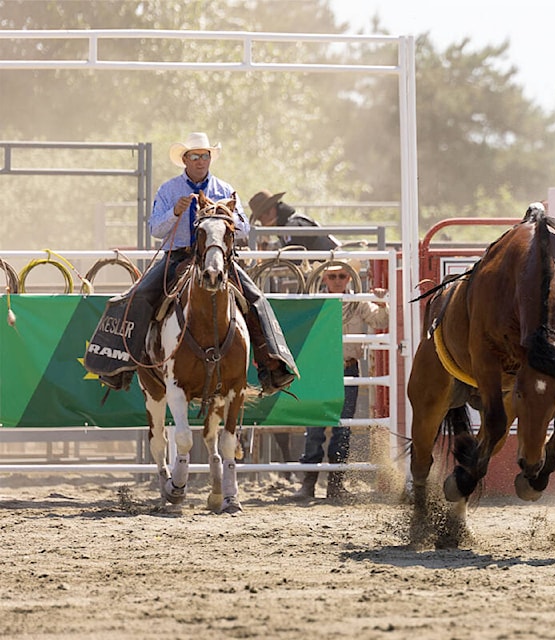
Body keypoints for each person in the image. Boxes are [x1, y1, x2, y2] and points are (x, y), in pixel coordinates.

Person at [83, 132, 298, 395]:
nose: (200, 160)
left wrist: (226, 216)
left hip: (218, 259)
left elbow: (244, 229)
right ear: (185, 159)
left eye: (204, 156)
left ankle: (272, 365)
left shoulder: (224, 190)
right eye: (194, 156)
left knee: (257, 300)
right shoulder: (169, 190)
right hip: (178, 257)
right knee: (137, 297)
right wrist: (175, 212)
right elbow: (155, 229)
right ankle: (122, 365)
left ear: (210, 158)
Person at [293, 261, 389, 502]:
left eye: (342, 276)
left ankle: (335, 483)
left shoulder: (357, 302)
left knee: (342, 427)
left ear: (349, 279)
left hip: (347, 367)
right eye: (333, 276)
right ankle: (310, 483)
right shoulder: (313, 302)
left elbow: (380, 321)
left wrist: (380, 302)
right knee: (315, 426)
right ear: (325, 279)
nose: (337, 280)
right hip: (320, 369)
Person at [248, 189, 340, 251]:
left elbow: (294, 260)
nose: (261, 222)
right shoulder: (290, 224)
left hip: (333, 272)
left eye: (260, 218)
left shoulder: (292, 227)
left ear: (270, 211)